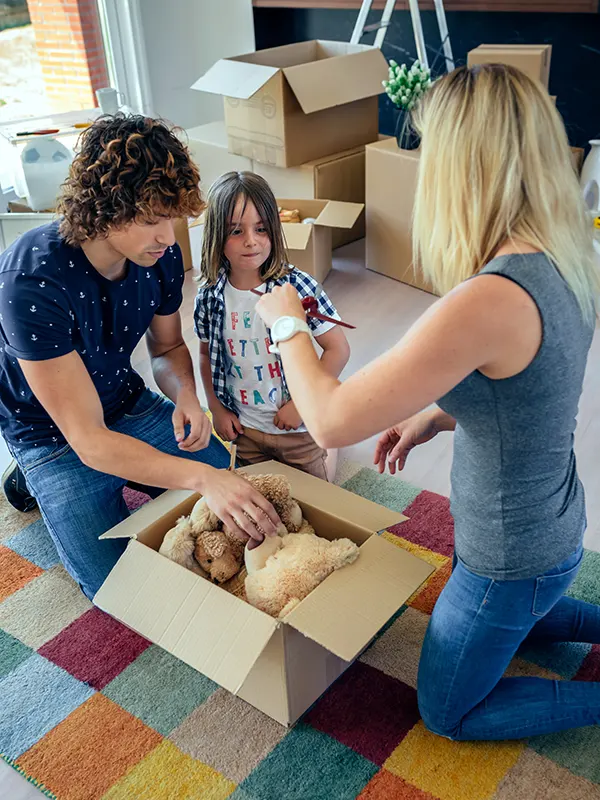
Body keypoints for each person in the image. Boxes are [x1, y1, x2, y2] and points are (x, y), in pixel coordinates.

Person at [254, 64, 600, 741]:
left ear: (462, 166)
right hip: (554, 525)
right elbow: (530, 387)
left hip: (513, 555)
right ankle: (538, 608)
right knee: (533, 605)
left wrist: (286, 320)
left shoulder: (487, 299)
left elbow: (328, 418)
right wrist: (437, 411)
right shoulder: (568, 254)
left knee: (447, 713)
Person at [0, 115, 280, 601]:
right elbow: (88, 441)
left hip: (123, 401)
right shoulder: (30, 281)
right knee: (120, 590)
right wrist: (200, 476)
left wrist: (187, 396)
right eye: (151, 219)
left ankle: (130, 470)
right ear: (102, 210)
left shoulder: (160, 254)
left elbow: (168, 348)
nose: (168, 237)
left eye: (172, 217)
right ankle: (31, 476)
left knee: (235, 509)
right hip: (53, 433)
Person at [194, 171, 350, 481]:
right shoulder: (210, 295)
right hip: (246, 430)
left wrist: (301, 404)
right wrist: (215, 407)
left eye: (261, 229)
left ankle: (333, 445)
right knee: (261, 500)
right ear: (215, 236)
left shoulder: (298, 286)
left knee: (317, 495)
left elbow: (338, 349)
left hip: (299, 430)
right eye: (236, 231)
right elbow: (205, 355)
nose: (251, 241)